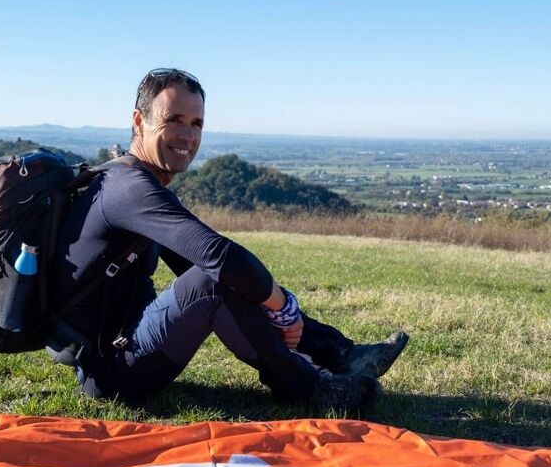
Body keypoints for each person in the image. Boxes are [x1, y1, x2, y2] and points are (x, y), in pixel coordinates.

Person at [49, 68, 408, 410]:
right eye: (174, 120)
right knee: (216, 278)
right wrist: (283, 307)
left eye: (196, 123)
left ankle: (340, 354)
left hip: (124, 345)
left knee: (225, 277)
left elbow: (196, 262)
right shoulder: (129, 189)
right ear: (139, 122)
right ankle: (310, 389)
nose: (188, 135)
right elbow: (217, 257)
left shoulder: (131, 180)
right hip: (112, 369)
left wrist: (280, 307)